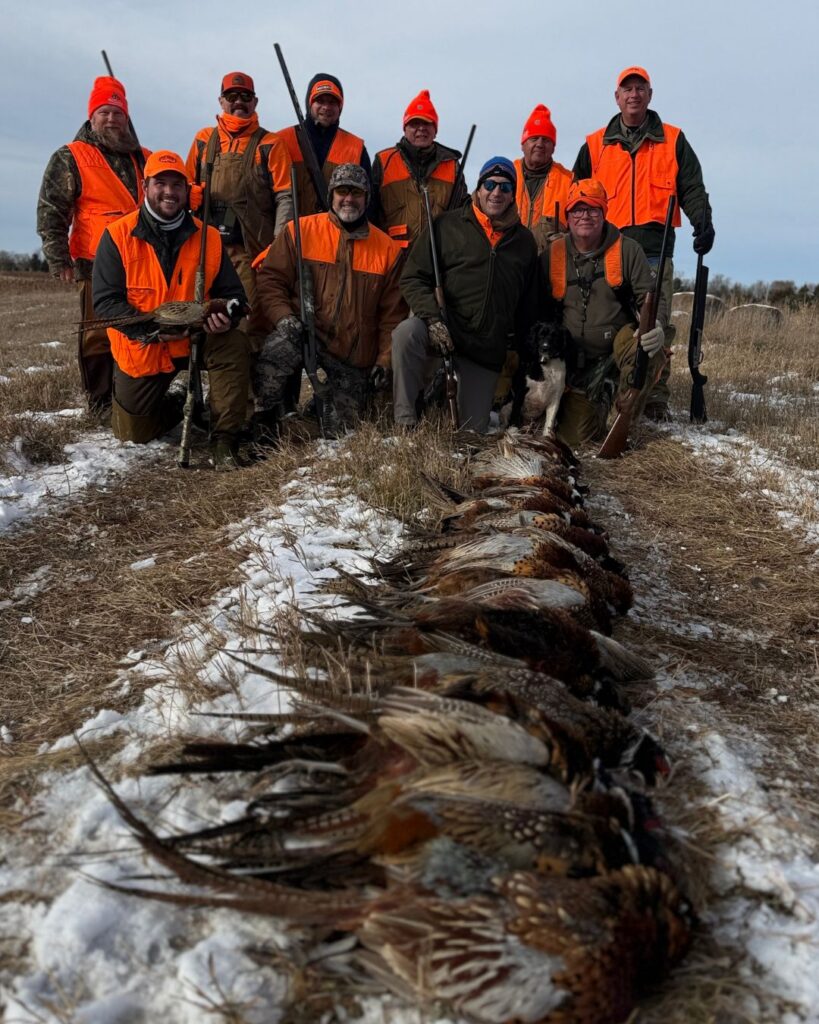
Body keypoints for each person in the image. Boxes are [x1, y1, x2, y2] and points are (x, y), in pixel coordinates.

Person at [92, 151, 251, 469]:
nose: (169, 191)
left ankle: (225, 440)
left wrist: (226, 319)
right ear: (145, 185)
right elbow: (106, 303)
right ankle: (179, 400)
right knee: (131, 432)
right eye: (160, 183)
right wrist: (149, 330)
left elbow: (234, 295)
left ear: (186, 189)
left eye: (177, 184)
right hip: (145, 346)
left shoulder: (208, 237)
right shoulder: (116, 236)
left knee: (233, 344)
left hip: (195, 339)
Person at [573, 66, 714, 419]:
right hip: (609, 249)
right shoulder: (594, 144)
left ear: (650, 95)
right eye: (627, 89)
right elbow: (577, 194)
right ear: (617, 97)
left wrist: (703, 221)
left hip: (654, 249)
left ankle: (653, 399)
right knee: (613, 322)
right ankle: (611, 388)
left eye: (640, 88)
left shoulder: (673, 139)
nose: (633, 94)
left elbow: (692, 188)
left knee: (655, 324)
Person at [253, 163, 406, 437]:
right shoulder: (299, 231)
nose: (348, 198)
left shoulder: (388, 250)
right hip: (302, 333)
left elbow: (391, 316)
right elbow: (270, 280)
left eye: (356, 192)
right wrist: (284, 318)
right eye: (342, 191)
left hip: (350, 354)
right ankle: (263, 417)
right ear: (331, 196)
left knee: (341, 430)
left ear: (367, 198)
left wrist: (384, 361)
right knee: (278, 350)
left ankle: (315, 409)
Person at [392, 157, 539, 433]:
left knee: (472, 431)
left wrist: (521, 354)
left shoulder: (525, 242)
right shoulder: (446, 225)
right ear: (479, 188)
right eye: (490, 184)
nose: (497, 192)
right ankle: (406, 421)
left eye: (506, 186)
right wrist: (433, 320)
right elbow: (412, 277)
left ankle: (444, 395)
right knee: (406, 333)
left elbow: (527, 306)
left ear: (512, 195)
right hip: (442, 330)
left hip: (484, 348)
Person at [37, 76, 150, 418]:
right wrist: (59, 259)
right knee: (97, 337)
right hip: (95, 262)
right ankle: (100, 404)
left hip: (143, 262)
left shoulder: (144, 158)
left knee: (136, 333)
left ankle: (132, 401)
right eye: (104, 111)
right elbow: (51, 208)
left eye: (118, 112)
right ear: (91, 117)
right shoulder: (71, 156)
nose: (112, 119)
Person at [539, 179, 667, 447]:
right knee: (576, 438)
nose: (584, 216)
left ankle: (627, 413)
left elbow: (653, 296)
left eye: (593, 209)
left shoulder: (627, 249)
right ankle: (600, 403)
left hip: (615, 351)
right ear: (568, 217)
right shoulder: (553, 255)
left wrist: (657, 323)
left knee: (644, 346)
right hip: (573, 363)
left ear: (604, 213)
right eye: (577, 209)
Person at [186, 71, 293, 311]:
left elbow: (285, 196)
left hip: (251, 249)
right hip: (206, 246)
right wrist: (189, 193)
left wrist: (275, 246)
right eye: (232, 95)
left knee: (246, 312)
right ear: (221, 101)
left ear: (255, 102)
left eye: (245, 96)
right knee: (201, 310)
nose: (238, 102)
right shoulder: (203, 139)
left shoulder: (270, 144)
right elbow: (184, 183)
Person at [371, 90, 467, 251]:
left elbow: (462, 215)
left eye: (427, 123)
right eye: (415, 123)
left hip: (437, 260)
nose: (421, 128)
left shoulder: (452, 166)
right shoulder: (384, 161)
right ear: (405, 128)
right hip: (393, 258)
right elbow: (371, 212)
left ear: (435, 130)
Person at [276, 74, 371, 217]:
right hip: (292, 235)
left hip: (337, 236)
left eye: (333, 102)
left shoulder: (356, 147)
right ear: (309, 104)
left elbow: (368, 202)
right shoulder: (281, 140)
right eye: (320, 101)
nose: (326, 107)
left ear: (340, 107)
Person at [514, 104, 572, 251]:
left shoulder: (569, 181)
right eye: (534, 138)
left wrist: (568, 241)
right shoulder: (505, 175)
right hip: (509, 267)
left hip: (549, 268)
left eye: (546, 140)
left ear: (553, 147)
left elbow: (584, 228)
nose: (540, 144)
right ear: (523, 144)